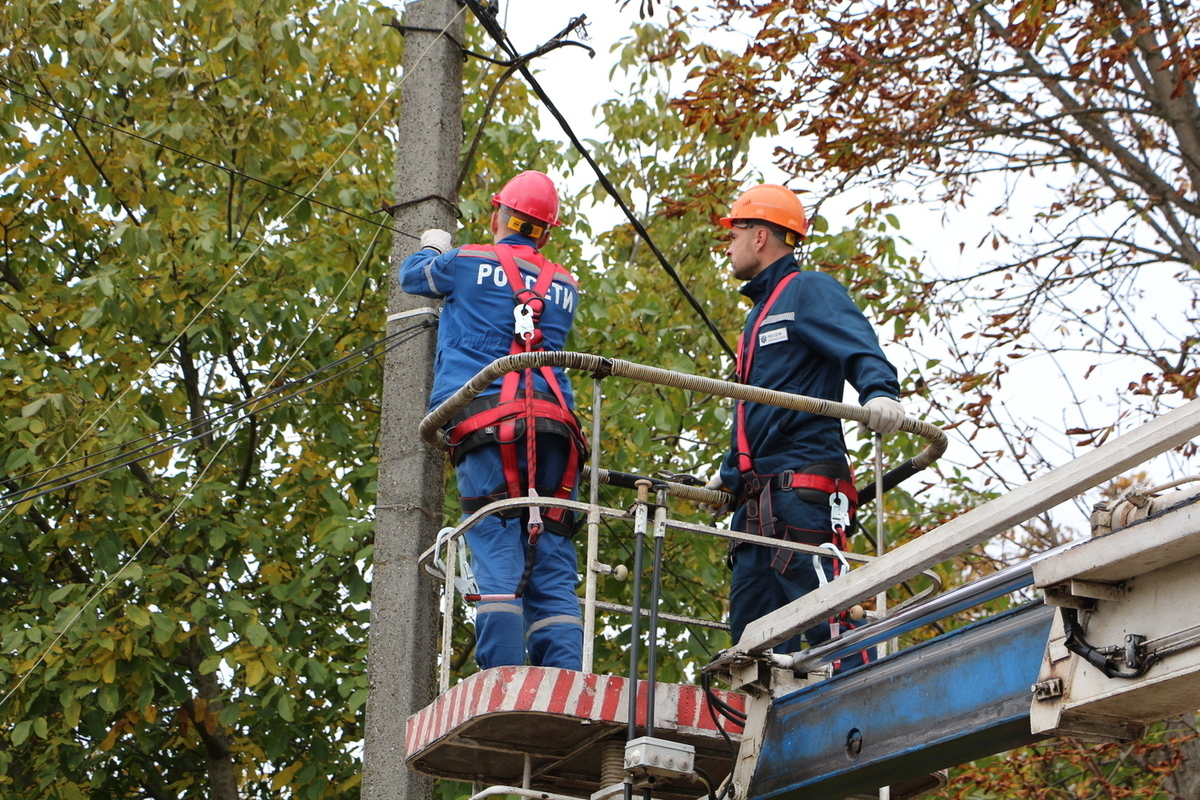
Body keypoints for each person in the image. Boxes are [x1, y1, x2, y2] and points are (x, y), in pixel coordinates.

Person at [709, 183, 905, 668]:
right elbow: (760, 412)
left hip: (802, 493)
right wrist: (728, 474)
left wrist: (880, 391)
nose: (728, 247)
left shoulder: (806, 290)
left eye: (733, 235)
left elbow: (857, 343)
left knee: (827, 621)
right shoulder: (759, 315)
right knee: (750, 646)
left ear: (759, 237)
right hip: (756, 505)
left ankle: (862, 700)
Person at [400, 170, 586, 671]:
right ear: (545, 232)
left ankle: (503, 679)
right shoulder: (565, 285)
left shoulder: (467, 261)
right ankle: (563, 684)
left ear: (498, 215)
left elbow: (413, 277)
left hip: (486, 425)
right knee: (551, 560)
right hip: (556, 430)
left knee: (497, 547)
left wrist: (433, 246)